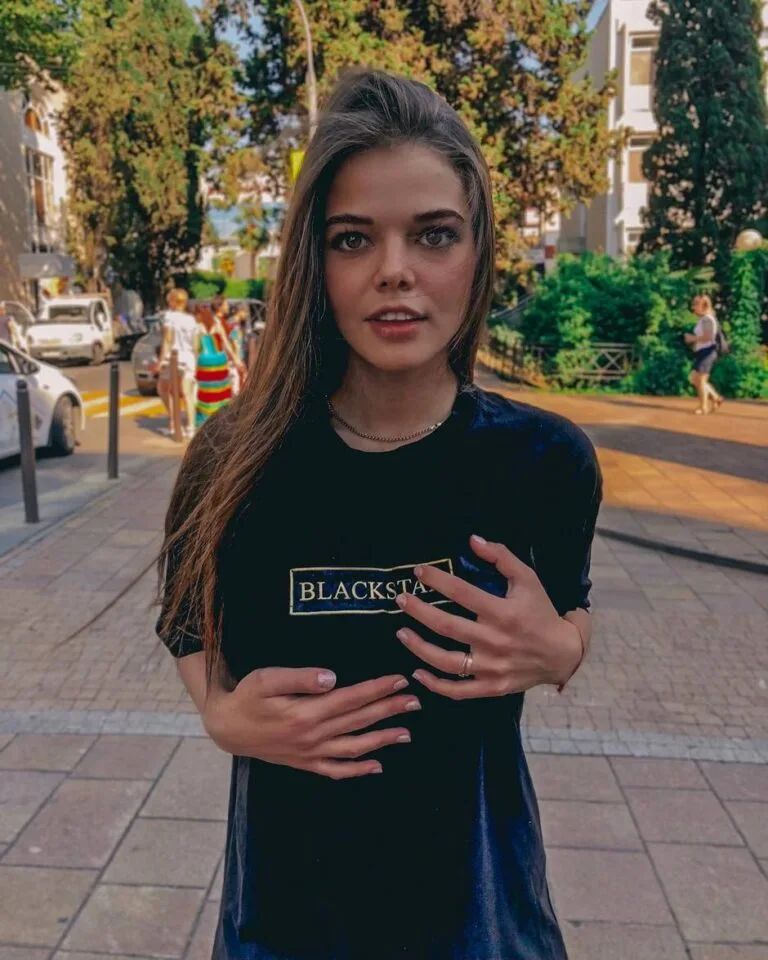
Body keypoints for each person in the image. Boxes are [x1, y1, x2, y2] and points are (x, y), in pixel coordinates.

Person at [156, 70, 601, 960]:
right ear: (314, 263)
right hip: (285, 922)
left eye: (433, 234)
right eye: (353, 239)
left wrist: (563, 652)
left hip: (481, 920)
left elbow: (569, 610)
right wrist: (220, 716)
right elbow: (187, 630)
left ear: (477, 252)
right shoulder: (234, 459)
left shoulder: (543, 461)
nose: (395, 270)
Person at [154, 288, 198, 439]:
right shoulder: (191, 320)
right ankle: (191, 428)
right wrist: (195, 362)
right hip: (189, 359)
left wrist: (160, 361)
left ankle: (175, 422)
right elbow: (195, 345)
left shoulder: (170, 317)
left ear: (173, 302)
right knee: (187, 393)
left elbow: (167, 340)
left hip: (173, 358)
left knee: (164, 389)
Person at [193, 303, 243, 426]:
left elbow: (195, 348)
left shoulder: (197, 327)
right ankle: (221, 417)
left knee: (206, 392)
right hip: (219, 361)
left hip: (204, 362)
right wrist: (236, 360)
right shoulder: (216, 323)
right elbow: (226, 344)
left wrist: (194, 365)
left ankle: (206, 418)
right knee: (221, 391)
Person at [684, 294, 724, 415]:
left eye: (696, 304)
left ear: (704, 306)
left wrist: (692, 338)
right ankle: (716, 398)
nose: (693, 307)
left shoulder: (707, 319)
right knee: (694, 379)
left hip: (708, 352)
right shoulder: (704, 319)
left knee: (700, 380)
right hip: (703, 352)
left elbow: (708, 337)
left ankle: (703, 407)